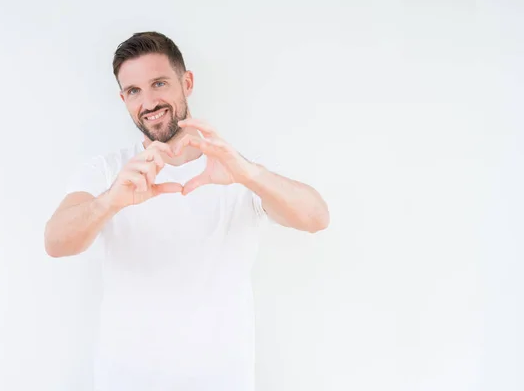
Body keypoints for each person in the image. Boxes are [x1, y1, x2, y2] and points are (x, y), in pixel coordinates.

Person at [44, 31, 329, 391]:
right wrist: (111, 200)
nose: (148, 102)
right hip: (126, 380)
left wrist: (248, 174)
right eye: (133, 91)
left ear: (187, 82)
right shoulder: (106, 172)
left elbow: (317, 218)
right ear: (123, 98)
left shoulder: (237, 170)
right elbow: (56, 241)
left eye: (159, 83)